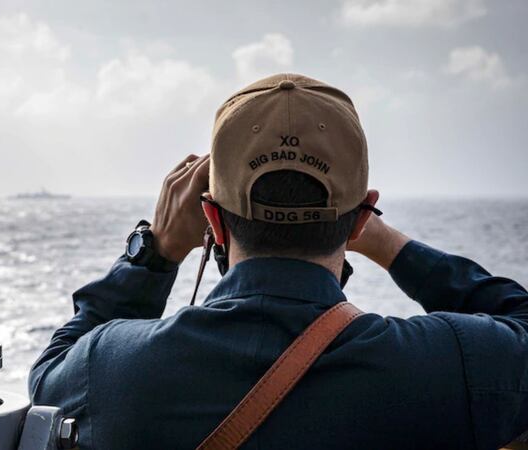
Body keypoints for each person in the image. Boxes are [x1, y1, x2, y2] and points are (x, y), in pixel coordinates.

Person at [28, 73, 528, 449]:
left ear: (212, 219)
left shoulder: (114, 370)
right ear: (359, 219)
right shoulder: (452, 367)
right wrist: (388, 244)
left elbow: (48, 383)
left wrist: (154, 253)